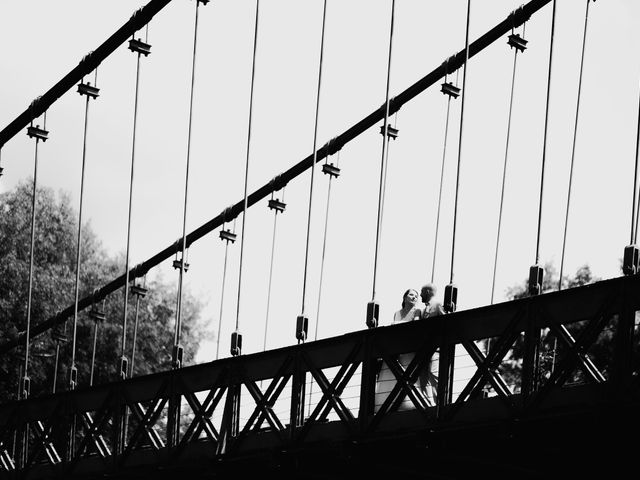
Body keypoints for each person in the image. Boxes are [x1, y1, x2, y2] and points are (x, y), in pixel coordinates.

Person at [374, 289, 424, 412]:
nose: (414, 297)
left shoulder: (417, 311)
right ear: (405, 297)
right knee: (392, 374)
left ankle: (408, 403)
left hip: (409, 348)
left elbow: (415, 325)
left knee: (408, 374)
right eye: (411, 295)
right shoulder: (397, 313)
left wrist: (395, 324)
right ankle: (388, 403)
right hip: (397, 348)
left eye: (416, 296)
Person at [419, 282, 445, 405]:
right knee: (423, 379)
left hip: (435, 349)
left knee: (434, 376)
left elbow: (447, 323)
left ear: (428, 292)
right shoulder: (424, 309)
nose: (420, 295)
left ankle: (439, 404)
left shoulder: (438, 305)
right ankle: (428, 405)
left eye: (422, 292)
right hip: (425, 350)